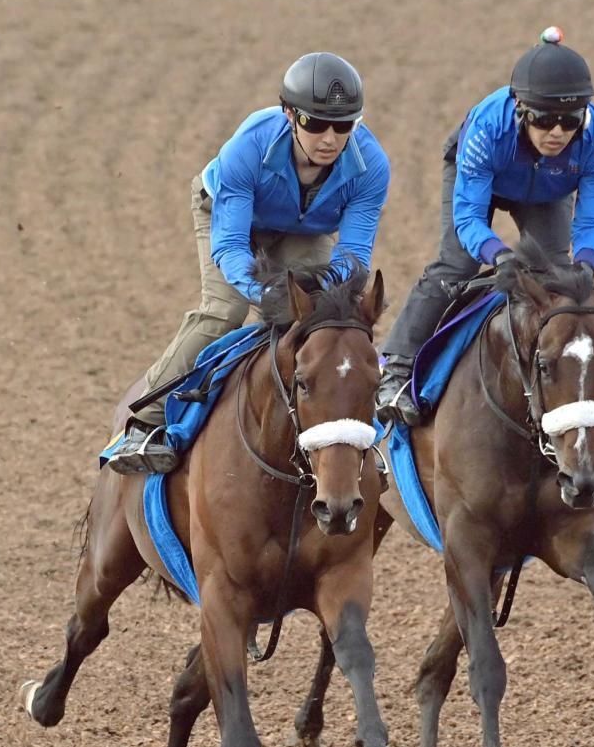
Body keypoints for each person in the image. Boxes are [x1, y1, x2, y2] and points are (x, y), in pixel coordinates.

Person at [109, 52, 390, 475]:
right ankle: (144, 420)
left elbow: (353, 256)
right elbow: (232, 248)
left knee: (316, 317)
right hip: (231, 221)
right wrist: (270, 295)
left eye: (344, 125)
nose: (330, 138)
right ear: (289, 115)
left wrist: (322, 296)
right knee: (226, 310)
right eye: (315, 124)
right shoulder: (249, 145)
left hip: (302, 229)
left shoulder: (373, 167)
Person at [376, 27, 594, 427]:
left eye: (569, 120)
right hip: (482, 179)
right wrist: (499, 255)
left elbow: (592, 219)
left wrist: (587, 264)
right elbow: (469, 217)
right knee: (457, 266)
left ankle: (545, 373)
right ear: (521, 110)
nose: (557, 132)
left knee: (555, 276)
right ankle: (397, 368)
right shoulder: (489, 128)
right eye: (543, 118)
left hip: (546, 189)